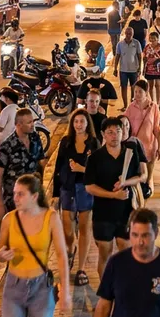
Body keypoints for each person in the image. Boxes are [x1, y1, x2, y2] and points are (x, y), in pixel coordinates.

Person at [0, 174, 71, 317]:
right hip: (14, 288)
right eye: (14, 193)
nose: (15, 198)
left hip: (41, 288)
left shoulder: (51, 218)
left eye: (21, 194)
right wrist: (0, 256)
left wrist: (65, 291)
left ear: (35, 196)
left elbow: (61, 255)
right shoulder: (9, 219)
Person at [84, 117, 148, 278]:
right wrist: (113, 195)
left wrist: (125, 181)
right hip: (102, 214)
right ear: (103, 134)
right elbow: (89, 187)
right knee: (104, 255)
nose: (114, 135)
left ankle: (124, 289)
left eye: (118, 131)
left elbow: (141, 176)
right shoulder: (95, 158)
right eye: (110, 132)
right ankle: (106, 292)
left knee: (126, 254)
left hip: (126, 213)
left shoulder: (130, 154)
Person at [52, 108, 98, 286]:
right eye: (76, 121)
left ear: (87, 123)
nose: (79, 125)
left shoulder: (93, 143)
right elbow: (58, 167)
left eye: (82, 121)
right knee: (68, 230)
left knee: (85, 229)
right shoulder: (65, 142)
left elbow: (97, 169)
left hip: (86, 189)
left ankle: (81, 268)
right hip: (68, 188)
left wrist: (82, 169)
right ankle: (70, 250)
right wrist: (56, 193)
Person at [0, 108, 45, 221]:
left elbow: (41, 162)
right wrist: (0, 204)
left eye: (32, 121)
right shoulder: (6, 147)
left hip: (33, 198)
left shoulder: (35, 138)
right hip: (15, 201)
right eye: (29, 122)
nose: (32, 125)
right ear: (18, 125)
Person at [124, 80, 160, 189]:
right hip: (135, 145)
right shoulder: (131, 108)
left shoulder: (153, 107)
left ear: (146, 92)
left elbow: (157, 128)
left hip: (149, 145)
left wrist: (159, 145)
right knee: (137, 171)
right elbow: (125, 124)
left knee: (148, 173)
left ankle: (148, 187)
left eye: (140, 92)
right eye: (135, 92)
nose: (137, 94)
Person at [113, 25, 142, 108]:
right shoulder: (120, 44)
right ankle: (125, 105)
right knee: (124, 87)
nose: (129, 35)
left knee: (134, 88)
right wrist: (115, 68)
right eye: (127, 33)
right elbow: (117, 56)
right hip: (123, 70)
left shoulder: (136, 43)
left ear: (133, 34)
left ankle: (133, 104)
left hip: (134, 70)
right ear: (125, 33)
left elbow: (140, 56)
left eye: (130, 33)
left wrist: (140, 67)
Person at [142, 30, 160, 100]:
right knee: (150, 86)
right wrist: (143, 68)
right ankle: (152, 101)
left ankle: (158, 102)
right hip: (149, 69)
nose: (152, 40)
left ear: (157, 39)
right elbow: (144, 57)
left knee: (158, 85)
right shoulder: (147, 47)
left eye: (154, 38)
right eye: (151, 38)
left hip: (158, 69)